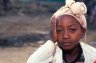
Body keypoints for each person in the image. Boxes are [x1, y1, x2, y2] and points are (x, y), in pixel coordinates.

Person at [27, 0, 96, 63]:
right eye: (59, 30)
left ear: (83, 32)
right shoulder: (50, 55)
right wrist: (52, 41)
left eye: (72, 30)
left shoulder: (93, 56)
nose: (65, 36)